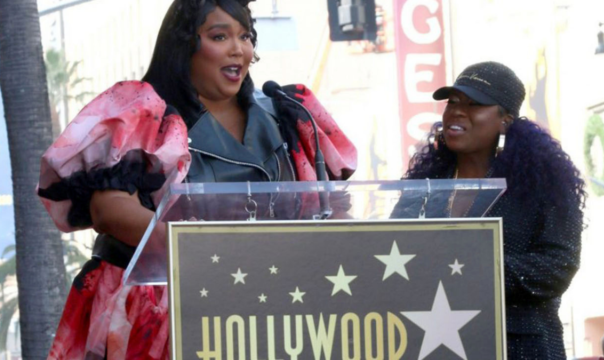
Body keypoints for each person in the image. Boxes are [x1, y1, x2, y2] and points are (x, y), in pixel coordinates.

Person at [36, 0, 357, 358]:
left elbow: (330, 211)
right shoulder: (145, 115)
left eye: (246, 36)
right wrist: (206, 260)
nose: (239, 49)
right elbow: (108, 210)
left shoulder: (285, 113)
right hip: (163, 315)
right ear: (185, 44)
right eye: (220, 36)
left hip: (272, 309)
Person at [398, 61, 586, 359]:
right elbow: (394, 251)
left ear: (505, 120)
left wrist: (470, 270)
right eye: (453, 102)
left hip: (519, 345)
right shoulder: (425, 185)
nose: (457, 111)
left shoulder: (543, 184)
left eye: (475, 104)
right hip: (432, 343)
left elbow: (558, 265)